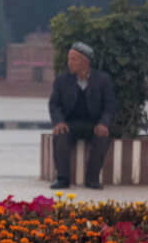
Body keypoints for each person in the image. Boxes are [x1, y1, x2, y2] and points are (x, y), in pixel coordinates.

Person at [50, 41, 117, 191]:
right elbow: (54, 105)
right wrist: (58, 122)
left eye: (73, 59)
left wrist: (104, 123)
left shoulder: (102, 80)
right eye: (69, 59)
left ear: (84, 62)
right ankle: (62, 179)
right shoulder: (62, 80)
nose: (69, 63)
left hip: (94, 123)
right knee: (60, 135)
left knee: (102, 137)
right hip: (70, 123)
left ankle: (92, 179)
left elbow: (110, 105)